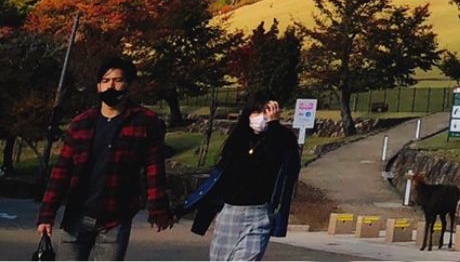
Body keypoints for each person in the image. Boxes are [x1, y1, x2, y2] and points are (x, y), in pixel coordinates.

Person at [37, 57, 173, 261]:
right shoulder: (82, 123)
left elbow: (154, 168)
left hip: (115, 217)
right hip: (77, 214)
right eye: (106, 80)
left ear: (128, 84)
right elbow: (62, 171)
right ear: (98, 86)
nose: (111, 85)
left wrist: (159, 209)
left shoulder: (144, 122)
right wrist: (47, 214)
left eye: (117, 80)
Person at [183, 93, 299, 260]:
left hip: (258, 214)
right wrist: (182, 209)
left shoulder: (281, 139)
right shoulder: (239, 140)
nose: (262, 117)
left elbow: (289, 166)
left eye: (267, 111)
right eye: (258, 111)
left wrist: (274, 125)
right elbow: (217, 180)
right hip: (230, 212)